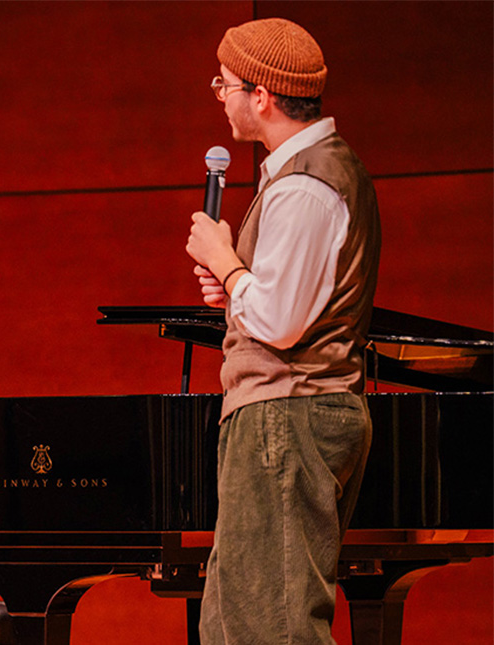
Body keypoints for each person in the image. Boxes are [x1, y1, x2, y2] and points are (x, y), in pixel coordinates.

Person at [185, 18, 381, 644]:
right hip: (287, 415)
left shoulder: (304, 184)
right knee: (237, 622)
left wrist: (224, 260)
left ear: (261, 96)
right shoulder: (311, 173)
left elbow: (281, 323)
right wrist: (239, 285)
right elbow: (276, 304)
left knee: (269, 629)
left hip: (286, 415)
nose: (220, 95)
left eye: (225, 84)